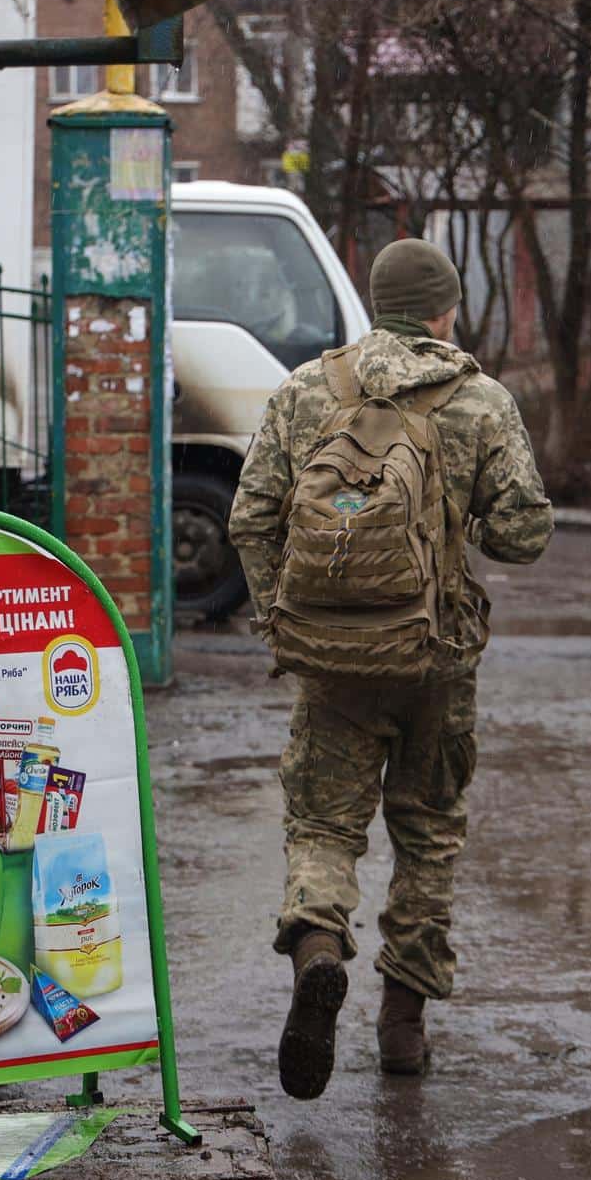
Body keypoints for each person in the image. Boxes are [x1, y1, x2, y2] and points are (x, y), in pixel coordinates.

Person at [228, 238, 553, 1099]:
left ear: (376, 304)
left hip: (332, 663)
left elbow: (250, 517)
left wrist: (284, 621)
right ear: (446, 310)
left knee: (325, 826)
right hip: (436, 660)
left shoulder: (309, 390)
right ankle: (403, 1027)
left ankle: (319, 952)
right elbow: (523, 534)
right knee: (428, 831)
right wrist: (464, 521)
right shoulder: (480, 400)